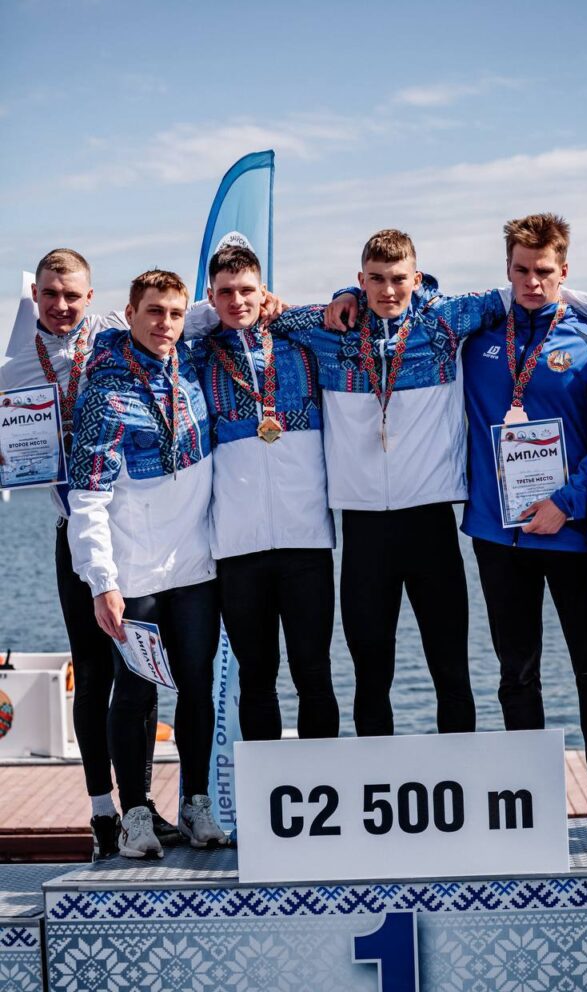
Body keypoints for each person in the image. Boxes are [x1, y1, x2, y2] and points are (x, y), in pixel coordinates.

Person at [269, 229, 521, 737]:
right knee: (371, 678)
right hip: (364, 530)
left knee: (451, 673)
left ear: (417, 277)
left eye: (399, 279)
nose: (388, 290)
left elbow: (527, 290)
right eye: (376, 279)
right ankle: (373, 782)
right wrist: (341, 296)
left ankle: (459, 774)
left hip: (431, 522)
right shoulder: (328, 328)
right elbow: (259, 312)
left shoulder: (444, 322)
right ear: (361, 279)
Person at [0, 249, 175, 859]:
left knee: (142, 671)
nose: (61, 305)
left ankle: (141, 806)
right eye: (50, 294)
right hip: (72, 534)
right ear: (35, 295)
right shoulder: (14, 366)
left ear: (91, 296)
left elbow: (192, 317)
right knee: (94, 674)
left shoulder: (112, 331)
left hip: (131, 534)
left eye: (72, 294)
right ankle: (103, 810)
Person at [458, 213, 587, 838]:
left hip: (573, 532)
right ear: (507, 271)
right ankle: (527, 792)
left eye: (545, 271)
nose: (532, 281)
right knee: (516, 670)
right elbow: (407, 297)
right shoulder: (474, 342)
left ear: (565, 272)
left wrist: (566, 502)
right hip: (498, 534)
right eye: (522, 270)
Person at [67, 269, 225, 858]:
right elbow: (87, 498)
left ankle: (195, 804)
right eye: (154, 311)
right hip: (134, 575)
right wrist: (102, 582)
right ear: (129, 313)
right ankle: (134, 812)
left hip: (196, 569)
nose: (166, 323)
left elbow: (219, 310)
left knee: (198, 687)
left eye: (175, 314)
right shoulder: (104, 389)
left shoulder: (192, 361)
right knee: (133, 691)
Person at [193, 245, 339, 742]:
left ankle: (323, 782)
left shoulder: (301, 345)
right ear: (211, 296)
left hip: (306, 543)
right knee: (256, 681)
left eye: (247, 290)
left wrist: (288, 309)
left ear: (264, 291)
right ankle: (264, 792)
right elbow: (141, 332)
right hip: (239, 550)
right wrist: (203, 314)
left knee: (314, 675)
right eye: (225, 293)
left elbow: (346, 313)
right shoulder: (198, 355)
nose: (237, 301)